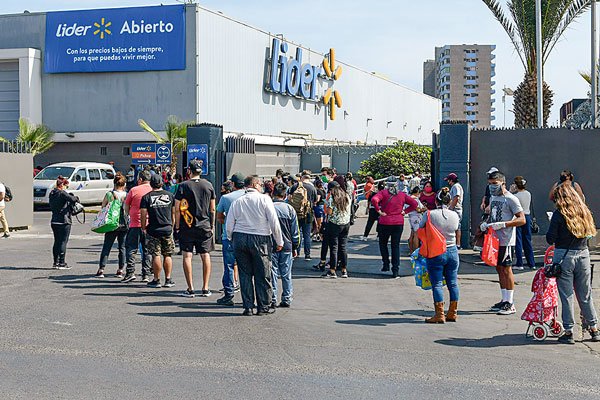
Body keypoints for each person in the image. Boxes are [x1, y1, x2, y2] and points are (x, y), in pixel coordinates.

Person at [546, 184, 599, 344]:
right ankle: (594, 329)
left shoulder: (558, 214)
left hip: (563, 255)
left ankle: (569, 331)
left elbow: (550, 238)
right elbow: (590, 234)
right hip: (583, 254)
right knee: (585, 294)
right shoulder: (584, 211)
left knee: (566, 294)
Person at [226, 176, 283, 316]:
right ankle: (263, 306)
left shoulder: (238, 201)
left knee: (244, 274)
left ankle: (248, 306)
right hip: (260, 238)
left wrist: (230, 237)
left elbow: (229, 224)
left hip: (240, 237)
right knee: (263, 273)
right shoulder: (264, 199)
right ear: (255, 184)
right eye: (260, 184)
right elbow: (273, 222)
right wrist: (279, 241)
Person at [480, 170, 526, 316]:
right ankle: (504, 299)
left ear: (502, 183)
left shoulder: (511, 199)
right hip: (494, 239)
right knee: (499, 269)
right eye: (490, 184)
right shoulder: (494, 198)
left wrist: (504, 224)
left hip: (506, 240)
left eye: (495, 184)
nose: (492, 187)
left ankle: (510, 303)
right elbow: (492, 215)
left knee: (507, 269)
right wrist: (486, 223)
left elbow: (521, 219)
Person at [175, 160, 216, 298]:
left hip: (187, 226)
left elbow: (177, 209)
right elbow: (212, 208)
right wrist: (212, 225)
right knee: (205, 255)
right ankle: (205, 288)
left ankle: (190, 288)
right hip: (204, 225)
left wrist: (177, 226)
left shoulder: (183, 186)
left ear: (189, 171)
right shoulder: (208, 185)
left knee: (187, 255)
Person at [420, 187, 461, 323]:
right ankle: (453, 313)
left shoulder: (430, 214)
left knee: (437, 283)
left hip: (435, 251)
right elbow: (456, 229)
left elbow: (420, 228)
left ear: (436, 201)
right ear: (449, 201)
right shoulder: (455, 215)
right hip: (452, 251)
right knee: (453, 283)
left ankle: (439, 314)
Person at [371, 177, 418, 278]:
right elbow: (414, 203)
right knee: (395, 246)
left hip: (385, 222)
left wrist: (379, 211)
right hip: (398, 222)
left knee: (383, 244)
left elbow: (374, 199)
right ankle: (395, 269)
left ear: (387, 184)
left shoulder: (383, 193)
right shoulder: (402, 195)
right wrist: (405, 211)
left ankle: (386, 263)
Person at [215, 173, 246, 306]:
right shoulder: (249, 196)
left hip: (229, 235)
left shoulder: (226, 198)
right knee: (246, 267)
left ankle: (229, 294)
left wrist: (227, 222)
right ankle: (247, 295)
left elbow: (219, 217)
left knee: (229, 266)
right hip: (247, 234)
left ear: (233, 184)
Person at [140, 175, 176, 288]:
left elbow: (143, 214)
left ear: (151, 184)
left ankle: (156, 279)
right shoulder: (170, 196)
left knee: (156, 255)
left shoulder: (146, 197)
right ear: (161, 183)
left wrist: (143, 227)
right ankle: (168, 279)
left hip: (153, 229)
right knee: (168, 254)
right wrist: (172, 226)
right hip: (167, 228)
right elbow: (173, 213)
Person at [271, 183, 300, 307]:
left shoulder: (269, 207)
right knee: (286, 274)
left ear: (273, 194)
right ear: (285, 195)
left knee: (272, 273)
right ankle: (287, 298)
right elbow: (295, 231)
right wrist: (295, 246)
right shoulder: (290, 209)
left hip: (271, 245)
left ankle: (272, 298)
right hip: (287, 246)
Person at [122, 170, 153, 283]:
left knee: (131, 248)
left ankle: (130, 272)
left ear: (140, 180)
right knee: (146, 250)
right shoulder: (153, 190)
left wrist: (128, 215)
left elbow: (126, 206)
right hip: (149, 224)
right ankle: (146, 274)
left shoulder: (134, 190)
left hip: (135, 223)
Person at [96, 173, 128, 278]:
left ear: (114, 183)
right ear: (124, 185)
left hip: (111, 223)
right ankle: (120, 269)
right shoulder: (126, 195)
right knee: (122, 248)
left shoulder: (109, 194)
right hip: (123, 224)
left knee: (107, 246)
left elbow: (103, 206)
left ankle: (101, 269)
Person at [321, 180, 352, 279]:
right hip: (345, 224)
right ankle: (344, 270)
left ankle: (332, 271)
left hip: (334, 224)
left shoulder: (331, 197)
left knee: (334, 247)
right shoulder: (347, 196)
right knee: (343, 247)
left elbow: (328, 212)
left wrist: (325, 203)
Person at [48, 176, 79, 269]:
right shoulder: (62, 193)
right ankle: (62, 262)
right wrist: (75, 197)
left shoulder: (52, 193)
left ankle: (55, 262)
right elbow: (73, 199)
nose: (66, 188)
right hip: (64, 221)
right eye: (66, 186)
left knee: (56, 241)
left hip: (54, 220)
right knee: (63, 242)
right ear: (62, 185)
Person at [288, 174, 317, 260]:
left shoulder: (296, 186)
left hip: (296, 213)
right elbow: (315, 200)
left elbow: (289, 197)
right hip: (307, 213)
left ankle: (297, 251)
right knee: (307, 235)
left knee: (297, 233)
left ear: (302, 178)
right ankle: (307, 255)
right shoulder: (312, 188)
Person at [512, 176, 536, 270]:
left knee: (518, 240)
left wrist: (510, 191)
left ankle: (519, 263)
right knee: (527, 240)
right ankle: (531, 263)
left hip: (518, 217)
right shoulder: (528, 194)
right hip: (527, 216)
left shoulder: (515, 196)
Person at [444, 173, 464, 248]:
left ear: (451, 180)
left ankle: (457, 244)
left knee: (456, 226)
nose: (448, 182)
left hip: (456, 209)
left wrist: (451, 207)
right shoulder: (456, 186)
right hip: (456, 209)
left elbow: (456, 197)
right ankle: (457, 244)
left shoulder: (455, 186)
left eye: (448, 180)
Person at [407, 186, 426, 253]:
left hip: (411, 217)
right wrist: (424, 209)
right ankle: (416, 251)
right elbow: (418, 209)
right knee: (416, 234)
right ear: (418, 192)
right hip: (416, 217)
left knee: (412, 234)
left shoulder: (408, 198)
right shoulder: (415, 199)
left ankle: (411, 251)